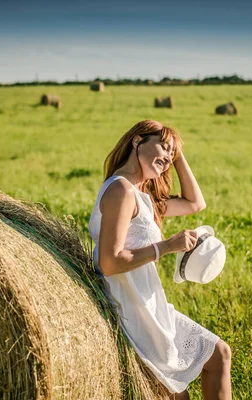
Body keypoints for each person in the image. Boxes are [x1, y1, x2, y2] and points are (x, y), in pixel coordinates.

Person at [88, 120, 232, 399]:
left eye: (171, 156)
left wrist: (175, 154)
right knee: (182, 391)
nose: (167, 159)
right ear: (137, 141)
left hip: (151, 303)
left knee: (218, 354)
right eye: (163, 148)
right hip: (131, 307)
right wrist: (165, 246)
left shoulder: (143, 196)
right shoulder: (120, 190)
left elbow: (195, 204)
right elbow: (110, 262)